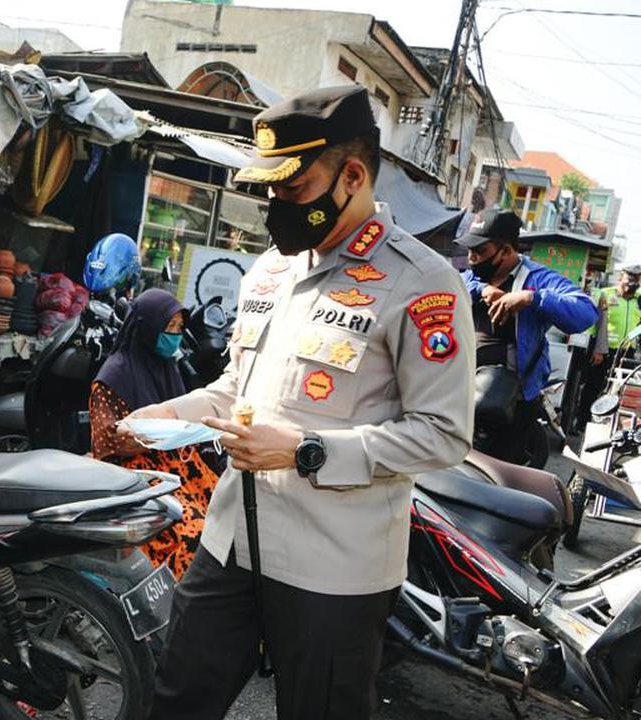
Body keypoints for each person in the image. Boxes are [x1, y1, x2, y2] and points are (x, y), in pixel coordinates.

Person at [122, 85, 477, 720]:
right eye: (269, 187)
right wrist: (171, 413)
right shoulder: (270, 272)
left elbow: (443, 433)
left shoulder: (422, 281)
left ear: (352, 175)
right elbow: (237, 390)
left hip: (333, 570)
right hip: (231, 543)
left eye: (291, 187)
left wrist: (308, 450)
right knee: (174, 701)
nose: (273, 203)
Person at [89, 289, 219, 580]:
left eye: (178, 328)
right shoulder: (113, 376)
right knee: (191, 529)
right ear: (147, 327)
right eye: (168, 327)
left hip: (176, 464)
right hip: (137, 473)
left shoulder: (168, 368)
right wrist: (148, 435)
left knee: (224, 504)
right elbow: (105, 444)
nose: (174, 335)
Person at [456, 209, 597, 461]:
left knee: (496, 476)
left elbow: (585, 312)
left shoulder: (538, 279)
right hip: (458, 393)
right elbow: (451, 283)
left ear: (507, 251)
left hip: (511, 404)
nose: (472, 258)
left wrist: (531, 298)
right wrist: (482, 289)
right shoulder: (472, 277)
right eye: (469, 250)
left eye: (480, 251)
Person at [577, 266, 641, 430]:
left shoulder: (639, 300)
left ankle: (608, 427)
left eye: (637, 279)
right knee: (594, 386)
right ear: (621, 277)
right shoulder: (606, 294)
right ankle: (583, 422)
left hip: (627, 352)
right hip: (604, 350)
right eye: (630, 278)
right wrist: (598, 349)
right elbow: (598, 324)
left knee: (619, 391)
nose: (633, 282)